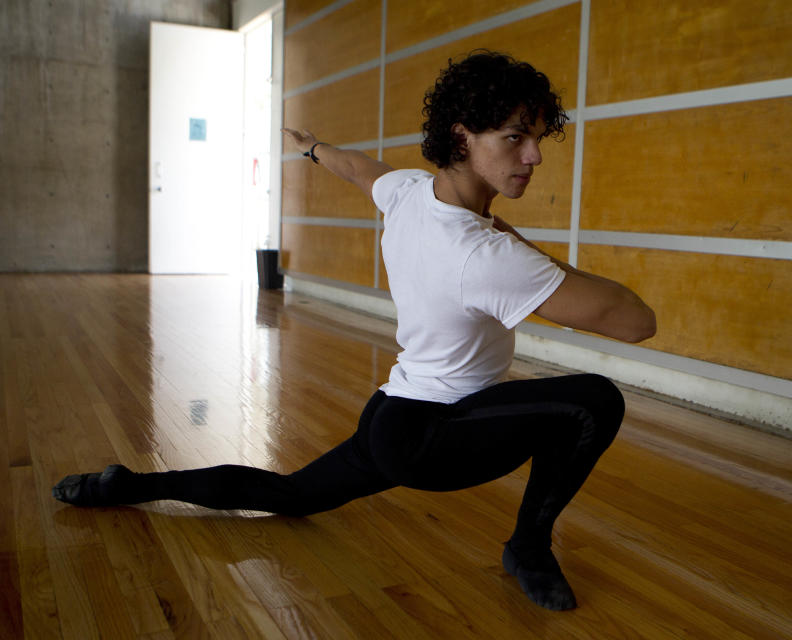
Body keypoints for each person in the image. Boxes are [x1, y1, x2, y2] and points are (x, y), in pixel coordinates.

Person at [53, 51, 656, 611]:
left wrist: (315, 149)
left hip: (390, 415)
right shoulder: (487, 255)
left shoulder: (409, 192)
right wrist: (525, 248)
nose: (534, 156)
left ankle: (126, 484)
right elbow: (636, 322)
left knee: (290, 496)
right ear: (461, 137)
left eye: (537, 137)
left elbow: (359, 170)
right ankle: (528, 547)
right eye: (516, 137)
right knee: (594, 401)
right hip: (430, 440)